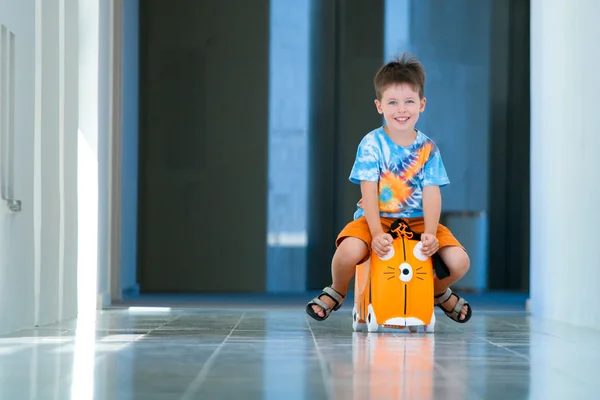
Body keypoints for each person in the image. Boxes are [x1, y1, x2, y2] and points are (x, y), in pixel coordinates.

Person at [305, 52, 472, 324]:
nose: (401, 109)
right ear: (379, 106)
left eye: (409, 101)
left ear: (422, 104)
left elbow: (432, 193)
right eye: (393, 102)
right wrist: (375, 231)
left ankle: (438, 292)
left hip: (418, 221)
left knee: (459, 261)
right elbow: (368, 191)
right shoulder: (372, 144)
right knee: (347, 251)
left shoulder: (428, 149)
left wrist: (430, 233)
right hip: (379, 217)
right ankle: (337, 290)